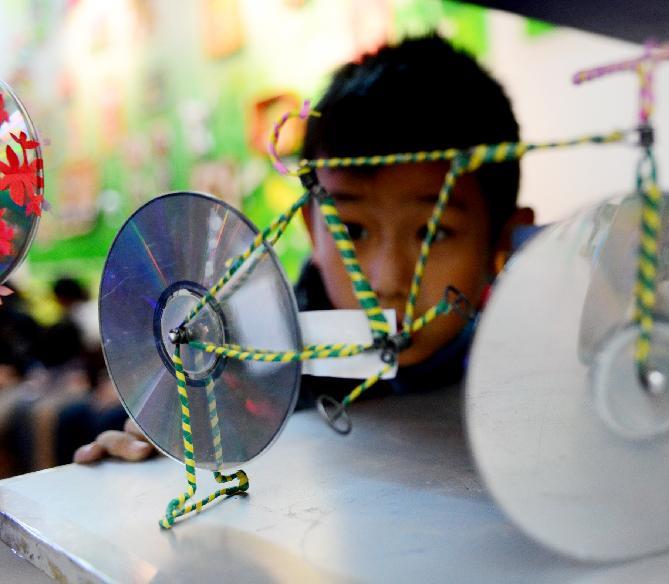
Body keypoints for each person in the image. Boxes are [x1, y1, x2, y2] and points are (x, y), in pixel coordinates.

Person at [74, 34, 534, 463]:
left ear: (504, 242)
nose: (387, 282)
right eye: (352, 231)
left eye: (432, 235)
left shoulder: (537, 368)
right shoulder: (243, 371)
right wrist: (170, 446)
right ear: (312, 230)